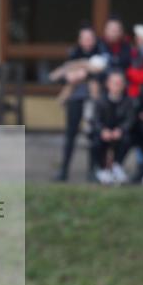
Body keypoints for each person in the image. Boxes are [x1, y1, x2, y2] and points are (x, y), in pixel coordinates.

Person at [53, 25, 106, 182]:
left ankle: (92, 171)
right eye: (85, 38)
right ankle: (63, 170)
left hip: (92, 99)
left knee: (92, 133)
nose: (88, 41)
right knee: (71, 134)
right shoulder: (73, 54)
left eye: (91, 38)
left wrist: (87, 72)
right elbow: (62, 75)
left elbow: (104, 75)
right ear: (80, 40)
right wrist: (71, 77)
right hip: (75, 98)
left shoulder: (100, 54)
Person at [92, 70, 135, 185]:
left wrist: (121, 130)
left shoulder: (128, 101)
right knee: (96, 142)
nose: (117, 86)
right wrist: (102, 131)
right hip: (103, 133)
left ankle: (117, 166)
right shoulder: (100, 101)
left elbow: (130, 120)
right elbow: (96, 120)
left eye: (120, 83)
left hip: (119, 133)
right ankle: (103, 169)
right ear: (108, 84)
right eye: (114, 83)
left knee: (127, 139)